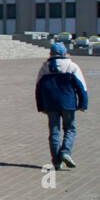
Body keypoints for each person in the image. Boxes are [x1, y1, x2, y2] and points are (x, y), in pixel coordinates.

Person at [35, 41, 88, 170]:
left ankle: (56, 161)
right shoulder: (71, 66)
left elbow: (38, 89)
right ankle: (65, 152)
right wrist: (83, 104)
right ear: (65, 53)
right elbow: (81, 88)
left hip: (50, 104)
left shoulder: (45, 68)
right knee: (70, 129)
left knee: (54, 131)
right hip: (68, 103)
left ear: (51, 53)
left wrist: (41, 106)